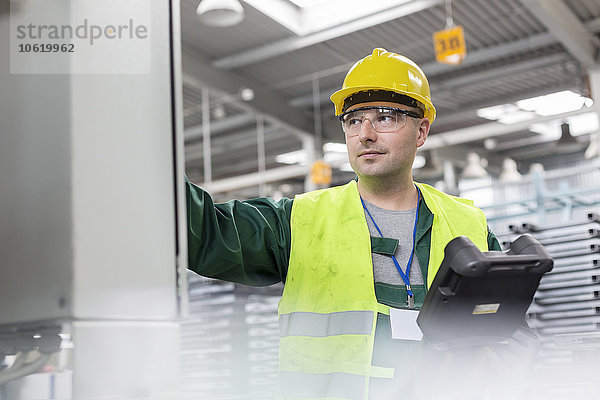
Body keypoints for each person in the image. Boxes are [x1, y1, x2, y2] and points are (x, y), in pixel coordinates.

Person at [186, 48, 505, 400]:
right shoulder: (297, 221)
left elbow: (506, 329)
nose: (365, 134)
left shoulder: (469, 226)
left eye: (385, 117)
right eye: (353, 120)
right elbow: (205, 235)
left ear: (421, 131)